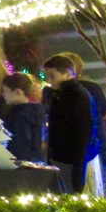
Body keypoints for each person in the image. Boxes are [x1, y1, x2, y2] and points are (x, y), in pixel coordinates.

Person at [41, 54, 95, 193]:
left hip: (70, 159)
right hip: (60, 156)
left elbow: (83, 133)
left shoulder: (77, 96)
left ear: (68, 74)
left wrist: (78, 168)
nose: (49, 80)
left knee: (67, 194)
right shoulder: (57, 94)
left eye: (52, 76)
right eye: (47, 76)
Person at [61, 52, 106, 189]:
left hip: (74, 150)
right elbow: (103, 110)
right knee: (100, 188)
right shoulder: (92, 87)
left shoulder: (62, 91)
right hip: (98, 145)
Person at [1, 72, 46, 163]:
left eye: (5, 91)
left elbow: (21, 141)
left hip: (20, 163)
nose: (3, 94)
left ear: (18, 92)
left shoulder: (18, 114)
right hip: (35, 161)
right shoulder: (37, 111)